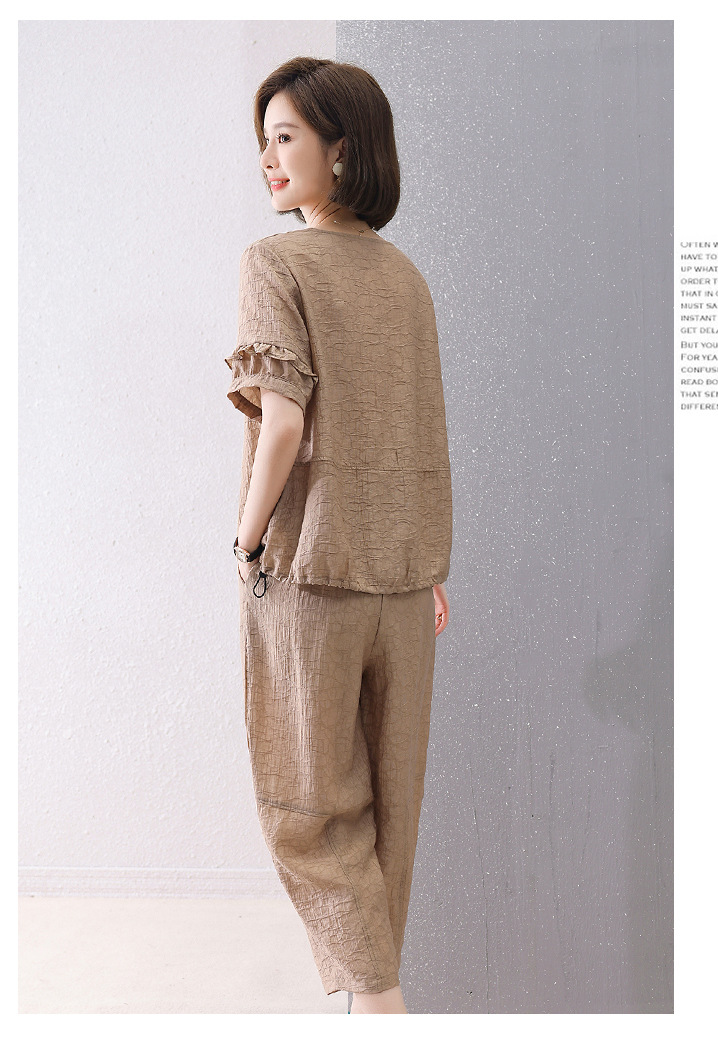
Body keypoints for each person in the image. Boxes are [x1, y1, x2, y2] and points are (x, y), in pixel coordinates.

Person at [225, 57, 452, 1015]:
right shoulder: (407, 279)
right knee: (391, 814)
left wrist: (246, 540)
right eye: (264, 140)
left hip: (311, 577)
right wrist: (427, 562)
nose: (268, 159)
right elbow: (418, 431)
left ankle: (385, 1012)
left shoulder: (275, 263)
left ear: (342, 150)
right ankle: (372, 1009)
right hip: (406, 584)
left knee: (310, 810)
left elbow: (283, 424)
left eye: (285, 137)